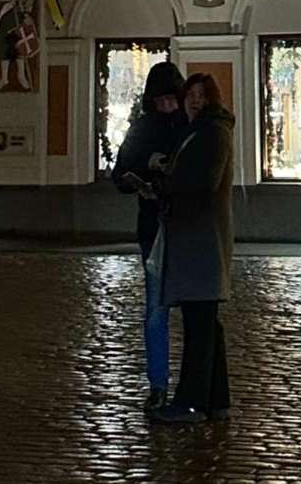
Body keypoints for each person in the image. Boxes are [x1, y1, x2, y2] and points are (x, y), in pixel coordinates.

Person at [151, 72, 236, 428]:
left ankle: (191, 403)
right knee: (206, 323)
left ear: (211, 99)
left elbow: (202, 182)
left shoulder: (212, 133)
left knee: (198, 325)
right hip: (197, 239)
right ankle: (217, 399)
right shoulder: (200, 131)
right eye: (191, 95)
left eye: (201, 95)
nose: (194, 101)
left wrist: (165, 182)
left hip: (201, 240)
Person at [112, 60, 189, 407]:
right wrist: (143, 171)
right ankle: (158, 385)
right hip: (154, 228)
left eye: (172, 100)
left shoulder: (190, 126)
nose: (167, 106)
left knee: (194, 313)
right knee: (156, 309)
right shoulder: (143, 128)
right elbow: (120, 173)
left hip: (189, 229)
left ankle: (192, 386)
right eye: (161, 101)